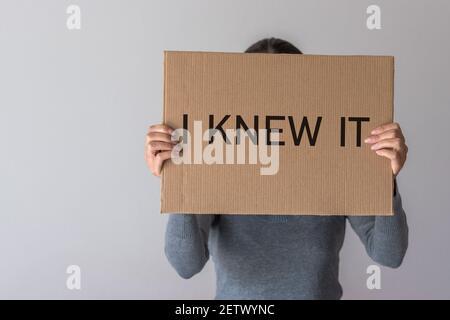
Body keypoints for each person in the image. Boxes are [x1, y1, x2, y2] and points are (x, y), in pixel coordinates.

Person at [145, 38, 409, 299]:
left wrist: (384, 179)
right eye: (260, 87)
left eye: (281, 87)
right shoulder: (217, 158)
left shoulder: (336, 158)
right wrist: (180, 178)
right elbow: (186, 265)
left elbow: (389, 255)